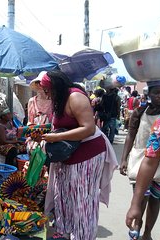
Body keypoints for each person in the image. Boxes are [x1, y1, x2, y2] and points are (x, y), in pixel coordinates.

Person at [40, 70, 117, 239]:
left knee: (82, 200)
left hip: (87, 154)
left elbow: (88, 128)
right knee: (65, 195)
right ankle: (65, 232)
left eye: (47, 90)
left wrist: (56, 136)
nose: (46, 94)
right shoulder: (59, 99)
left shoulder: (75, 97)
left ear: (57, 87)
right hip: (69, 154)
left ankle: (83, 235)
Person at [120, 80, 160, 240]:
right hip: (141, 160)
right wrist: (124, 158)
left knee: (155, 199)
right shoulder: (139, 112)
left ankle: (147, 233)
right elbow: (130, 135)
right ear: (149, 94)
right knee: (140, 196)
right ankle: (136, 228)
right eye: (157, 92)